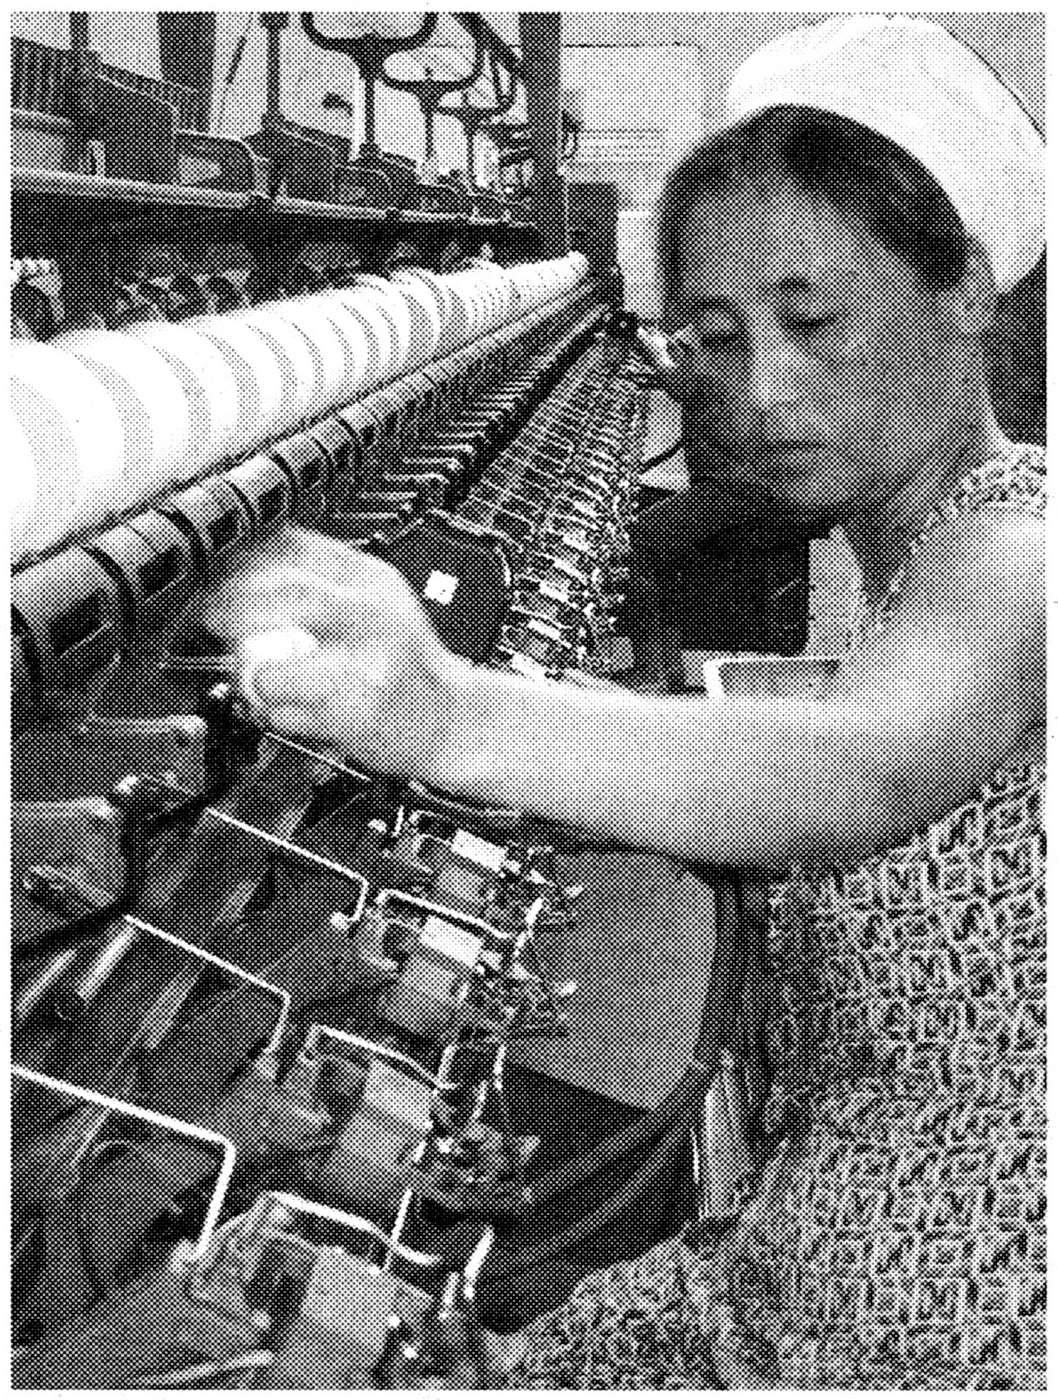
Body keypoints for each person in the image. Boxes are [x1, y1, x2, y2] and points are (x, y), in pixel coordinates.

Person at [205, 15, 1045, 1388]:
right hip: (781, 1274)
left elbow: (864, 769)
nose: (760, 387)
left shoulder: (1021, 551)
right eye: (715, 336)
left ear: (963, 293)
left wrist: (441, 709)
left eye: (811, 322)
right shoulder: (904, 578)